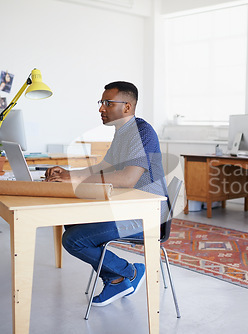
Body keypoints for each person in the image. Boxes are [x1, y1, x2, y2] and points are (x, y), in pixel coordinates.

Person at [45, 81, 168, 307]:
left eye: (107, 103)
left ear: (127, 107)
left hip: (146, 215)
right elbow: (105, 167)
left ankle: (127, 273)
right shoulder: (123, 133)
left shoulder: (142, 132)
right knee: (72, 224)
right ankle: (116, 277)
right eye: (101, 102)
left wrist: (74, 178)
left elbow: (128, 178)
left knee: (73, 240)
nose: (101, 108)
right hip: (127, 207)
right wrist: (69, 173)